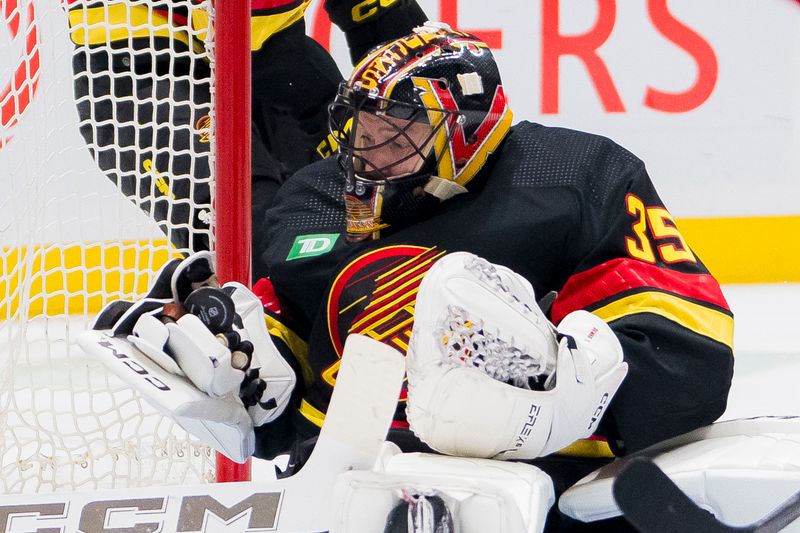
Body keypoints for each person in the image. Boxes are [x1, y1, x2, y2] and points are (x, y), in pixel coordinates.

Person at [88, 24, 735, 532]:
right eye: (363, 133)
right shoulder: (314, 200)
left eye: (398, 135)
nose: (371, 155)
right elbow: (302, 366)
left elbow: (692, 352)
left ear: (466, 127)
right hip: (357, 497)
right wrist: (248, 380)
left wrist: (569, 399)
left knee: (461, 292)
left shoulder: (574, 175)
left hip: (549, 499)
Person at [68, 0, 427, 270]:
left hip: (273, 58)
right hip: (141, 69)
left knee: (386, 193)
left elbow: (382, 18)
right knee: (259, 244)